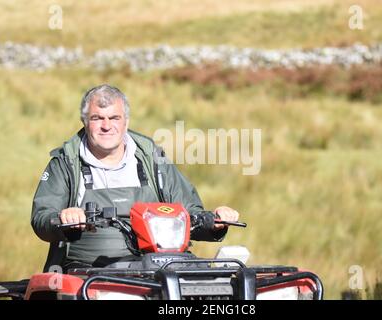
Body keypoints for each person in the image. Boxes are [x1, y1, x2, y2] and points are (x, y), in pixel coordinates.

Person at [31, 84, 239, 272]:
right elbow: (41, 217)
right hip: (88, 273)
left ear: (126, 122)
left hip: (157, 267)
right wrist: (63, 218)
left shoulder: (153, 159)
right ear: (84, 121)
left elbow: (190, 214)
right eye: (97, 118)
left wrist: (215, 222)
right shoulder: (66, 162)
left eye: (114, 118)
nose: (106, 126)